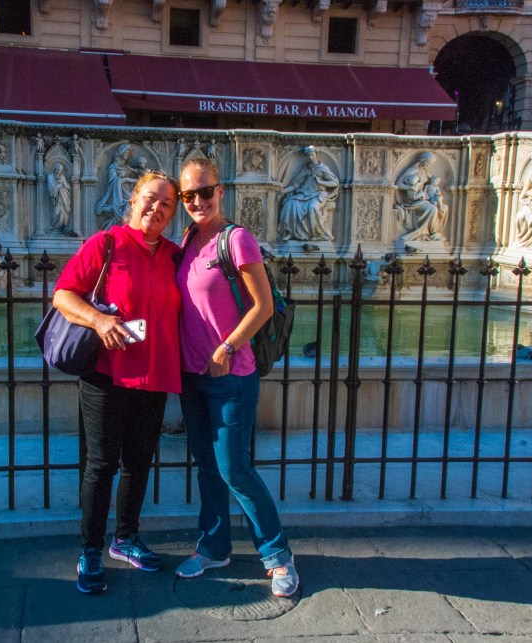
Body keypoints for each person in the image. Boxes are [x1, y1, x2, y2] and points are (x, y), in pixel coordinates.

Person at [174, 157, 300, 598]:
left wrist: (227, 348)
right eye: (188, 195)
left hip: (232, 373)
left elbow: (262, 306)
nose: (197, 201)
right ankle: (214, 548)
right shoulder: (188, 241)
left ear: (220, 190)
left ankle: (277, 554)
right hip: (192, 374)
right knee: (207, 467)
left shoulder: (237, 239)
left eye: (204, 191)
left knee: (235, 469)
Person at [52, 170, 182, 594]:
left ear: (172, 214)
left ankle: (125, 538)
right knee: (102, 463)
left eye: (166, 204)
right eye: (150, 198)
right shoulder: (106, 244)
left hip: (154, 374)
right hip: (106, 373)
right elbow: (63, 294)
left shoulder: (175, 256)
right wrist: (98, 319)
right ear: (133, 199)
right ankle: (90, 549)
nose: (156, 208)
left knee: (139, 462)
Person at [277, 145, 338, 241]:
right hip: (303, 194)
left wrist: (321, 182)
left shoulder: (322, 168)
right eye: (309, 155)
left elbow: (334, 183)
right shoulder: (307, 169)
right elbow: (296, 185)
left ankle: (319, 233)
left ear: (316, 154)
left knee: (313, 207)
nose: (311, 157)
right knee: (289, 203)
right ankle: (291, 232)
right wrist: (285, 190)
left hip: (317, 194)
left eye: (312, 154)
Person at [393, 151, 447, 242]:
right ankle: (428, 233)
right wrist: (410, 187)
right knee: (432, 209)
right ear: (423, 160)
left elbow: (431, 184)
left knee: (445, 207)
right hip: (413, 200)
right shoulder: (412, 170)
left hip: (423, 198)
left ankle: (432, 233)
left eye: (430, 163)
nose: (429, 164)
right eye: (428, 162)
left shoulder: (426, 173)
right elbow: (398, 184)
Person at [94, 143, 138, 229]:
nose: (128, 154)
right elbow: (114, 182)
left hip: (128, 193)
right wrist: (126, 179)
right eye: (127, 152)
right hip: (117, 196)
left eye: (129, 153)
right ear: (122, 152)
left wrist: (130, 179)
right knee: (124, 212)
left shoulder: (128, 167)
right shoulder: (113, 167)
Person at [48, 163, 74, 234]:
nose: (58, 171)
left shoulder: (62, 177)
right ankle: (54, 227)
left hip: (64, 198)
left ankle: (61, 227)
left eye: (60, 170)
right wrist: (58, 185)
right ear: (55, 169)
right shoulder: (50, 177)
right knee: (56, 212)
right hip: (57, 198)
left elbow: (68, 187)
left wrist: (64, 184)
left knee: (63, 213)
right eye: (57, 169)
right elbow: (51, 188)